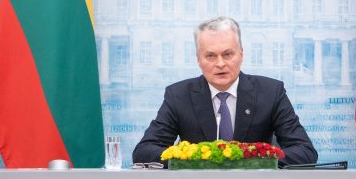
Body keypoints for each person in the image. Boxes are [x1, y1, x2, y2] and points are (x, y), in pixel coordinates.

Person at [133, 16, 318, 167]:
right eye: (211, 56)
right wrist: (196, 159)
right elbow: (144, 152)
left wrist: (252, 160)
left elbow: (304, 151)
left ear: (241, 55)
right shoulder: (178, 95)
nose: (220, 63)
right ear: (198, 59)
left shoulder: (271, 92)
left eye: (228, 54)